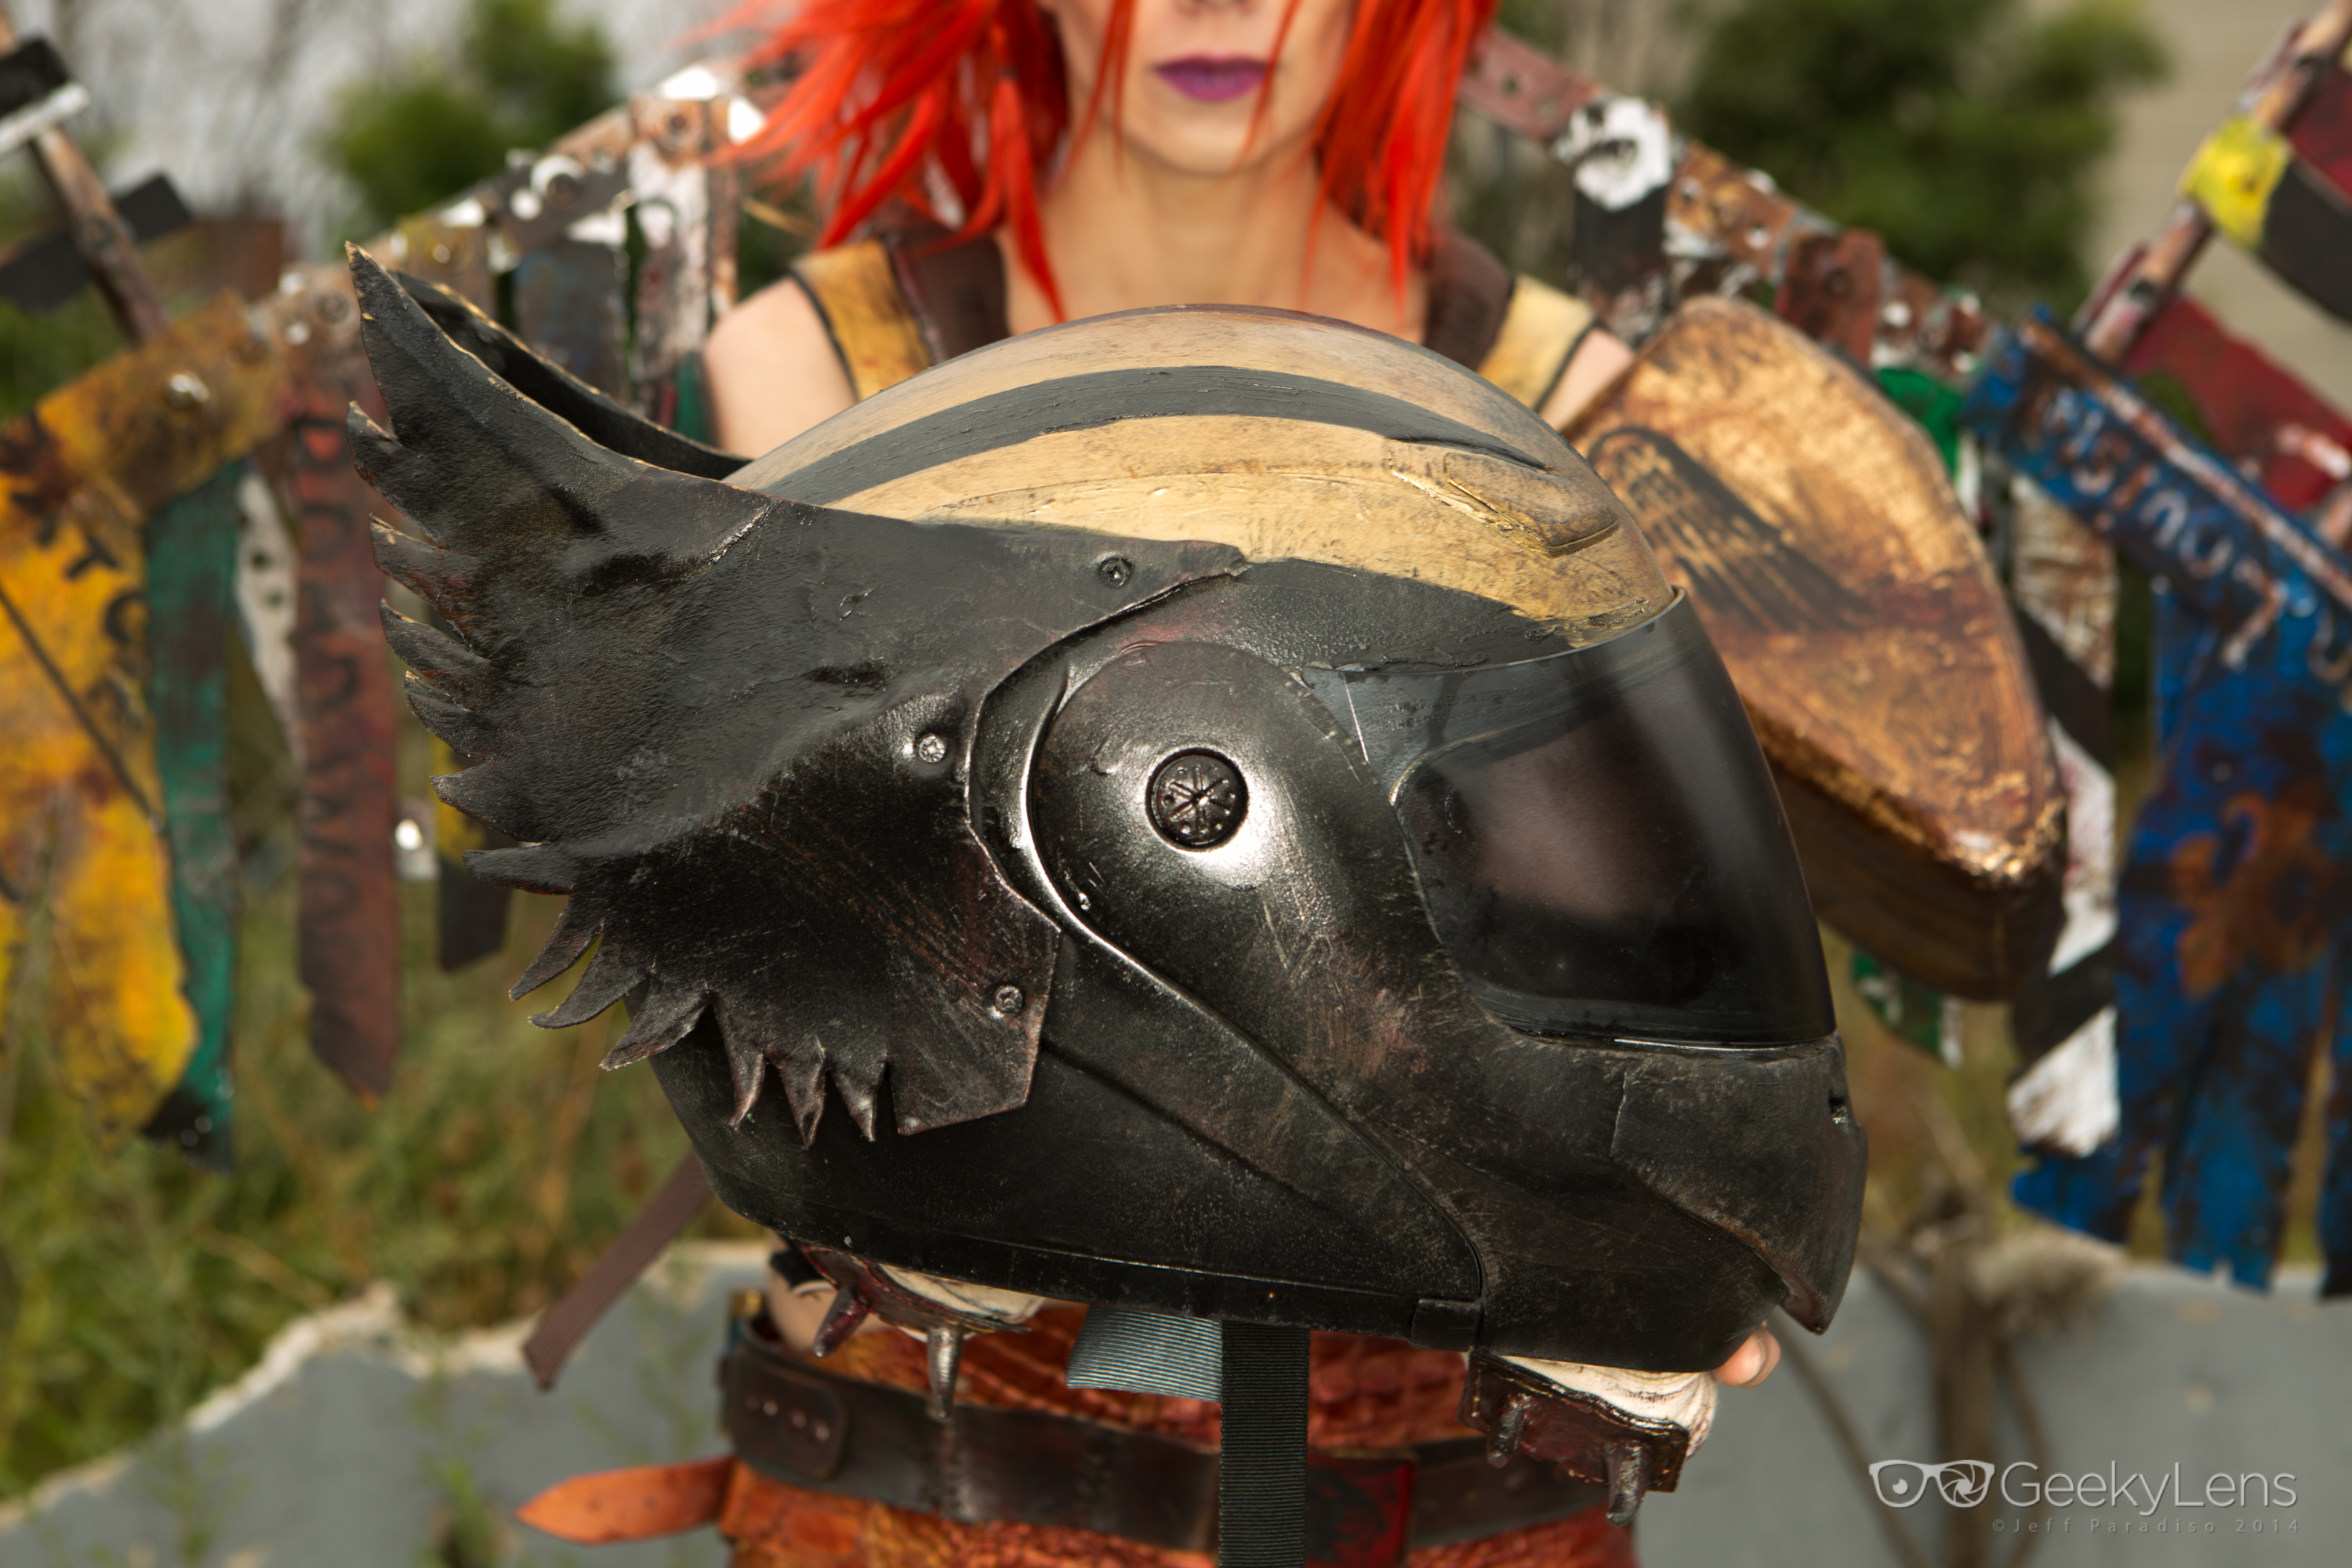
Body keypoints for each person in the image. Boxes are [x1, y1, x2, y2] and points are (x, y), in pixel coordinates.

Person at [681, 2, 1778, 1563]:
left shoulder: (1575, 393)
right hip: (939, 1447)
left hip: (1465, 1455)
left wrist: (1685, 1208)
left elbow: (1663, 940)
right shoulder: (816, 370)